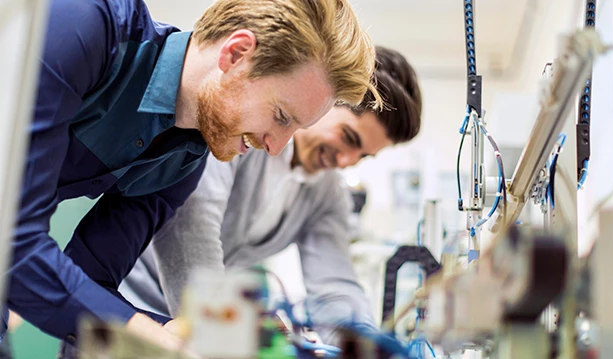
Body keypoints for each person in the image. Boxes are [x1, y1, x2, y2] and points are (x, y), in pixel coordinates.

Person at [6, 0, 379, 351]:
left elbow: (91, 279)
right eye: (281, 116)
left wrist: (190, 336)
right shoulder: (86, 25)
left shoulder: (183, 161)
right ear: (236, 55)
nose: (277, 146)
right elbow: (14, 245)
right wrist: (165, 340)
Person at [120, 47, 422, 345]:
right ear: (326, 100)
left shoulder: (327, 193)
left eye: (363, 156)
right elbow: (192, 231)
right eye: (348, 138)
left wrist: (361, 348)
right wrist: (230, 331)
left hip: (200, 326)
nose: (346, 161)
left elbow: (334, 287)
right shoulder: (245, 134)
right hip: (129, 310)